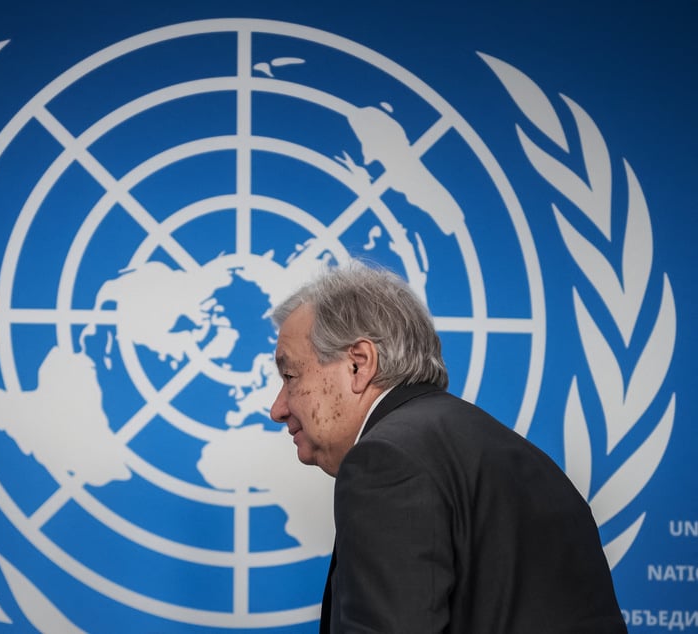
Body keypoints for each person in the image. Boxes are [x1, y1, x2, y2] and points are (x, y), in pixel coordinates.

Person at [268, 262, 626, 633]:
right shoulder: (523, 459)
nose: (278, 409)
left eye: (290, 376)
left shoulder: (386, 462)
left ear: (358, 365)